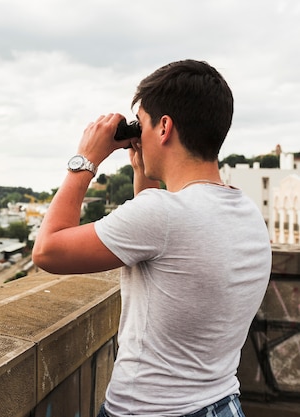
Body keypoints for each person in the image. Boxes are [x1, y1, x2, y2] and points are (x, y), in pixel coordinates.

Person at [32, 60, 271, 417]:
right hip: (222, 403)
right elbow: (158, 245)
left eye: (140, 123)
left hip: (151, 410)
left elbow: (47, 250)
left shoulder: (164, 216)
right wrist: (143, 170)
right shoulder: (246, 211)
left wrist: (84, 160)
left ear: (164, 127)